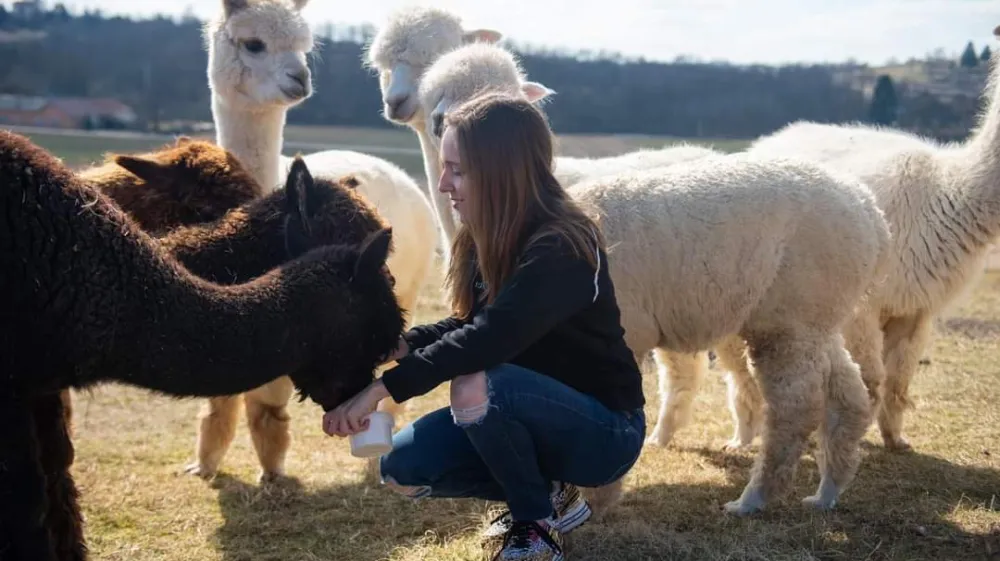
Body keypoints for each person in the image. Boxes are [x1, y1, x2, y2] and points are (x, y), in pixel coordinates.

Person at [322, 91, 646, 561]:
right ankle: (551, 494)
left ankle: (534, 525)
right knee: (402, 468)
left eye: (457, 169)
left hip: (604, 432)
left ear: (501, 170)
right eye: (443, 165)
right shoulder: (485, 236)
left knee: (477, 385)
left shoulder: (562, 246)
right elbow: (471, 324)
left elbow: (490, 338)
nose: (443, 183)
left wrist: (379, 392)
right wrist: (395, 346)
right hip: (526, 409)